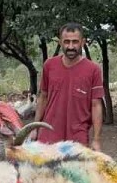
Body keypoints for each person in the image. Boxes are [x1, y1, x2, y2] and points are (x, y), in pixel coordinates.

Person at [34, 22, 104, 151]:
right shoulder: (49, 65)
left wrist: (96, 140)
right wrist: (35, 128)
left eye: (75, 42)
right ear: (60, 42)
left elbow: (96, 105)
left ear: (82, 42)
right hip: (48, 135)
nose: (70, 46)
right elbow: (43, 97)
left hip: (77, 137)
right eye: (66, 42)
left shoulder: (93, 70)